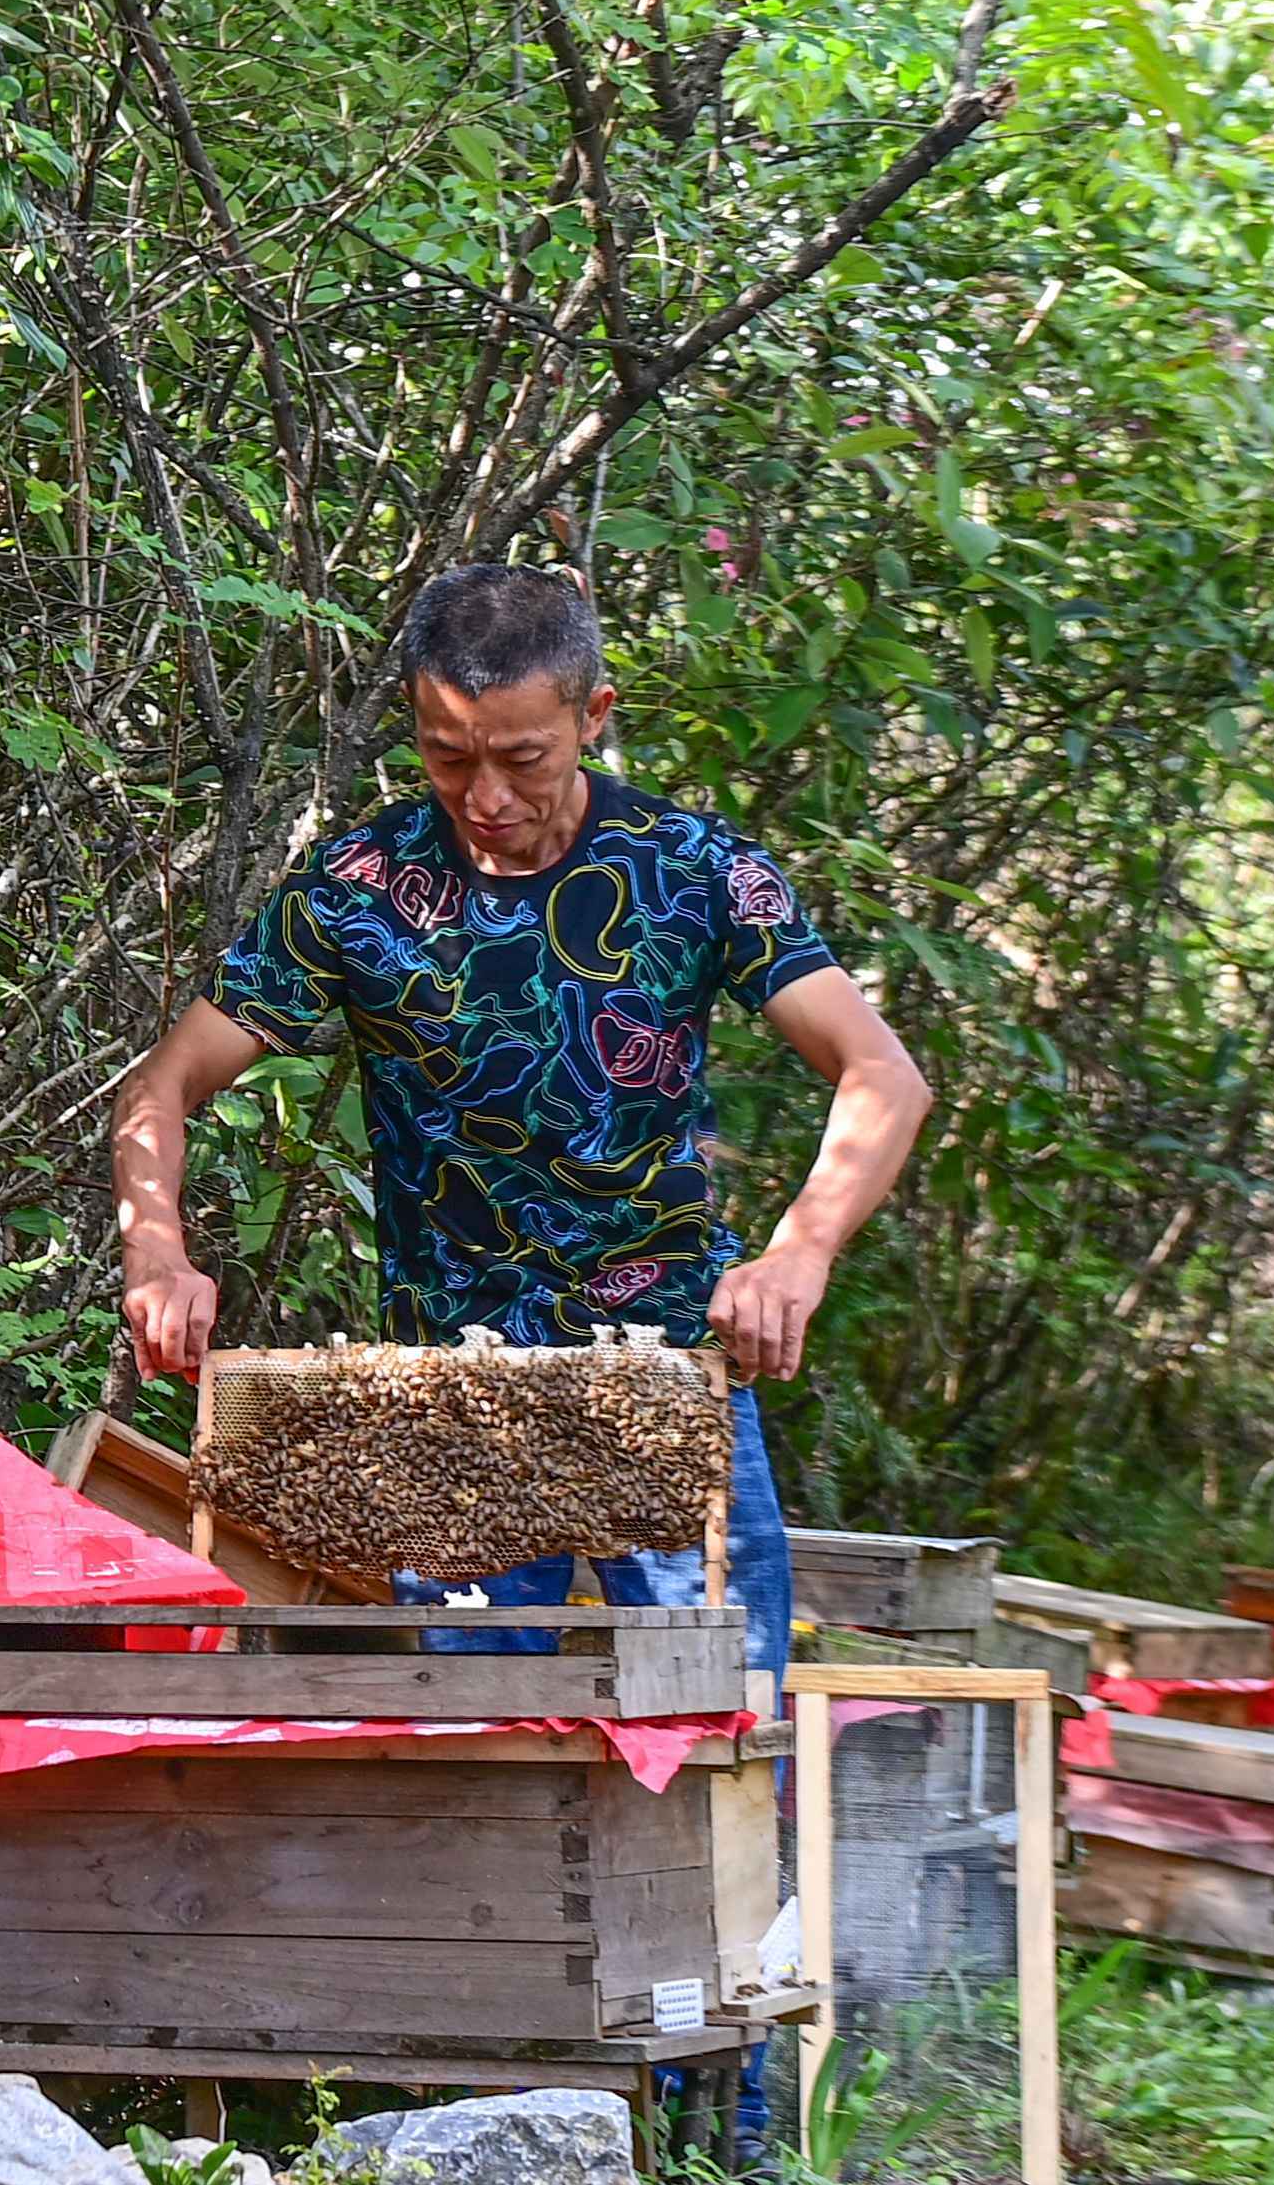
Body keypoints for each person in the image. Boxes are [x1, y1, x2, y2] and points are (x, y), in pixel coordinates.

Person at [103, 564, 937, 1671]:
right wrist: (156, 1250)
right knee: (470, 1750)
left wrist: (800, 1253)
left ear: (592, 716)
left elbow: (883, 1074)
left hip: (664, 1368)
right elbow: (160, 1087)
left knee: (724, 1729)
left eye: (521, 759)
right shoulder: (357, 887)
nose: (485, 795)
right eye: (449, 757)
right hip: (452, 1391)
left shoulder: (693, 871)